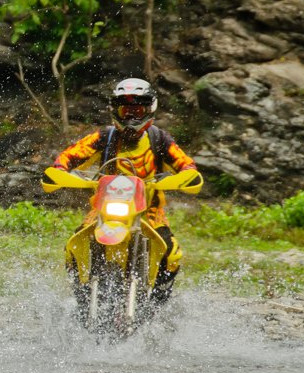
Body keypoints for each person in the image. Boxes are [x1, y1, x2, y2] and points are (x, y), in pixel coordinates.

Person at [51, 78, 199, 306]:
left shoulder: (160, 139)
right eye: (125, 109)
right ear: (115, 110)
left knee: (172, 253)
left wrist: (183, 178)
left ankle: (157, 304)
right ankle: (81, 297)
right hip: (103, 210)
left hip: (149, 213)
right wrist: (59, 171)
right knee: (73, 246)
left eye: (137, 110)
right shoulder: (104, 136)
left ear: (149, 109)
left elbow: (187, 166)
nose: (131, 116)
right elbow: (69, 156)